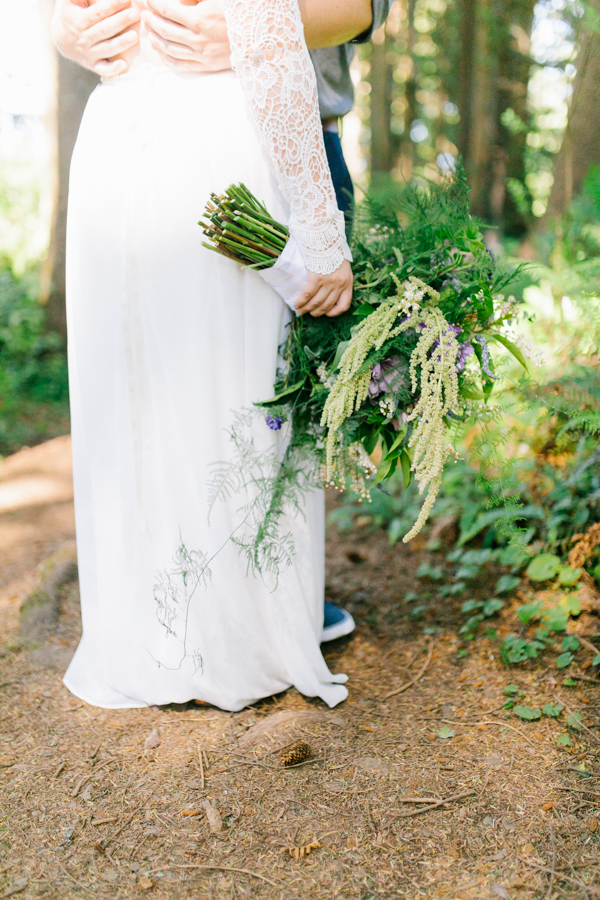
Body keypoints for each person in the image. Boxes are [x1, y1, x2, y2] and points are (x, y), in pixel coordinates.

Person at [53, 0, 393, 647]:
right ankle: (221, 603)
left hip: (213, 134)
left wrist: (249, 27)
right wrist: (64, 30)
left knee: (256, 377)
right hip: (198, 139)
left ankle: (241, 592)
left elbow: (360, 9)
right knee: (216, 374)